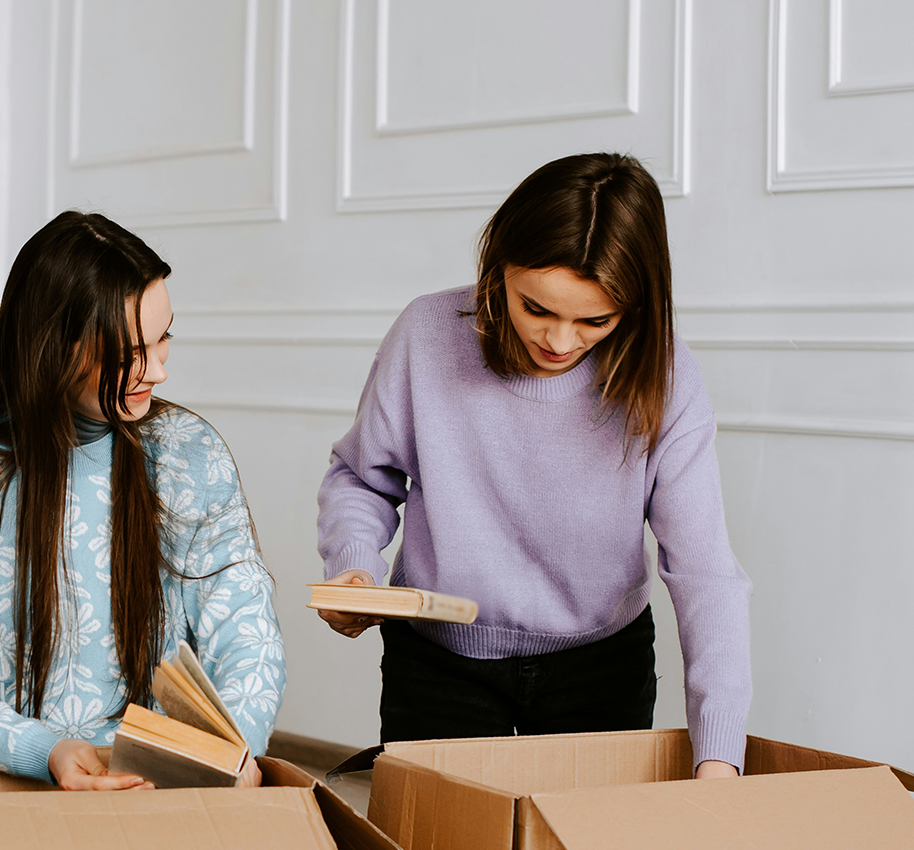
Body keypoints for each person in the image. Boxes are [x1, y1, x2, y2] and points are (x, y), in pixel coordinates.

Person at [316, 153, 751, 778]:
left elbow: (704, 568)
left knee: (585, 829)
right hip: (440, 663)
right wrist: (354, 567)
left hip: (601, 666)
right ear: (498, 268)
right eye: (537, 309)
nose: (560, 341)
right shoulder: (427, 334)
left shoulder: (665, 373)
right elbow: (363, 478)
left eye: (595, 320)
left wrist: (719, 756)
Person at [0, 210, 284, 790]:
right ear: (55, 348)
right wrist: (44, 751)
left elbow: (247, 636)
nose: (158, 371)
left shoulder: (189, 453)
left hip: (145, 788)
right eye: (131, 352)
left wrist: (232, 750)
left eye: (164, 338)